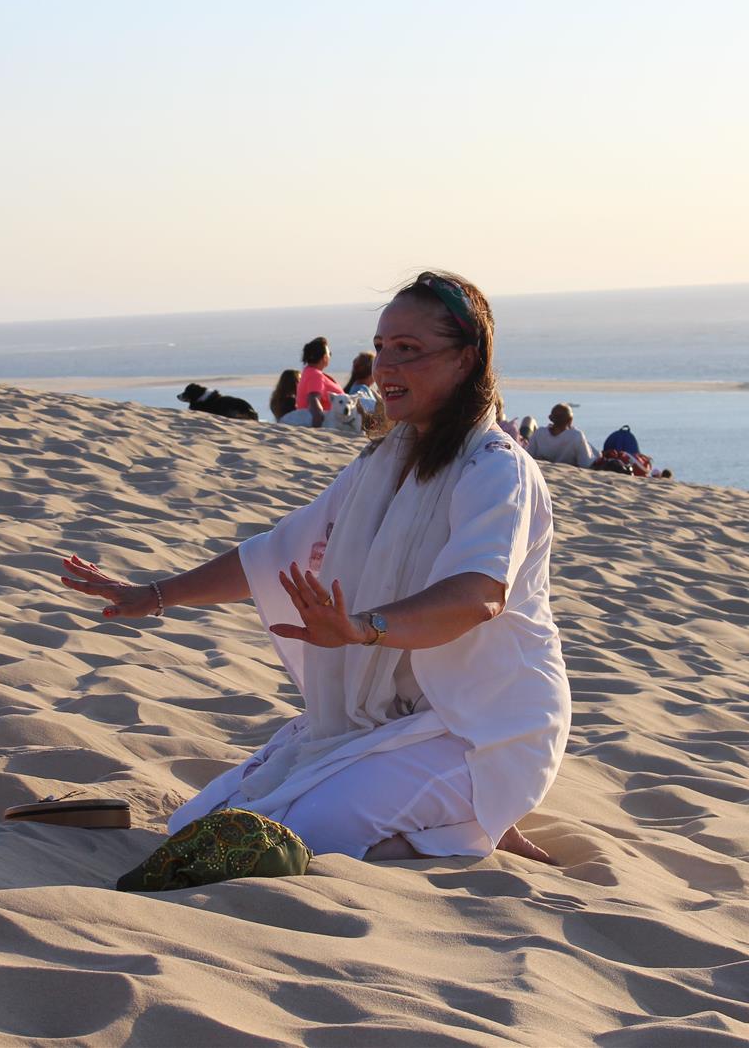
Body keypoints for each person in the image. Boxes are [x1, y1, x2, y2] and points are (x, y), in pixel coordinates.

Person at [63, 271, 570, 865]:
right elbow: (274, 555)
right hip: (376, 720)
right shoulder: (383, 460)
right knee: (196, 827)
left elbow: (477, 595)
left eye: (408, 350)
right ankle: (457, 817)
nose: (385, 369)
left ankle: (474, 820)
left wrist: (362, 628)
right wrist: (152, 595)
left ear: (466, 360)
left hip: (481, 726)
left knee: (294, 841)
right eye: (381, 348)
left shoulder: (496, 468)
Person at [527, 403, 595, 468]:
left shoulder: (539, 433)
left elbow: (529, 455)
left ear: (550, 418)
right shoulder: (575, 435)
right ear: (570, 420)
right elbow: (586, 463)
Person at [296, 337, 345, 413]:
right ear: (324, 357)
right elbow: (313, 400)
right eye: (329, 354)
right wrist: (318, 420)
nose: (330, 356)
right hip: (327, 422)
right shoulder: (315, 375)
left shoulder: (309, 372)